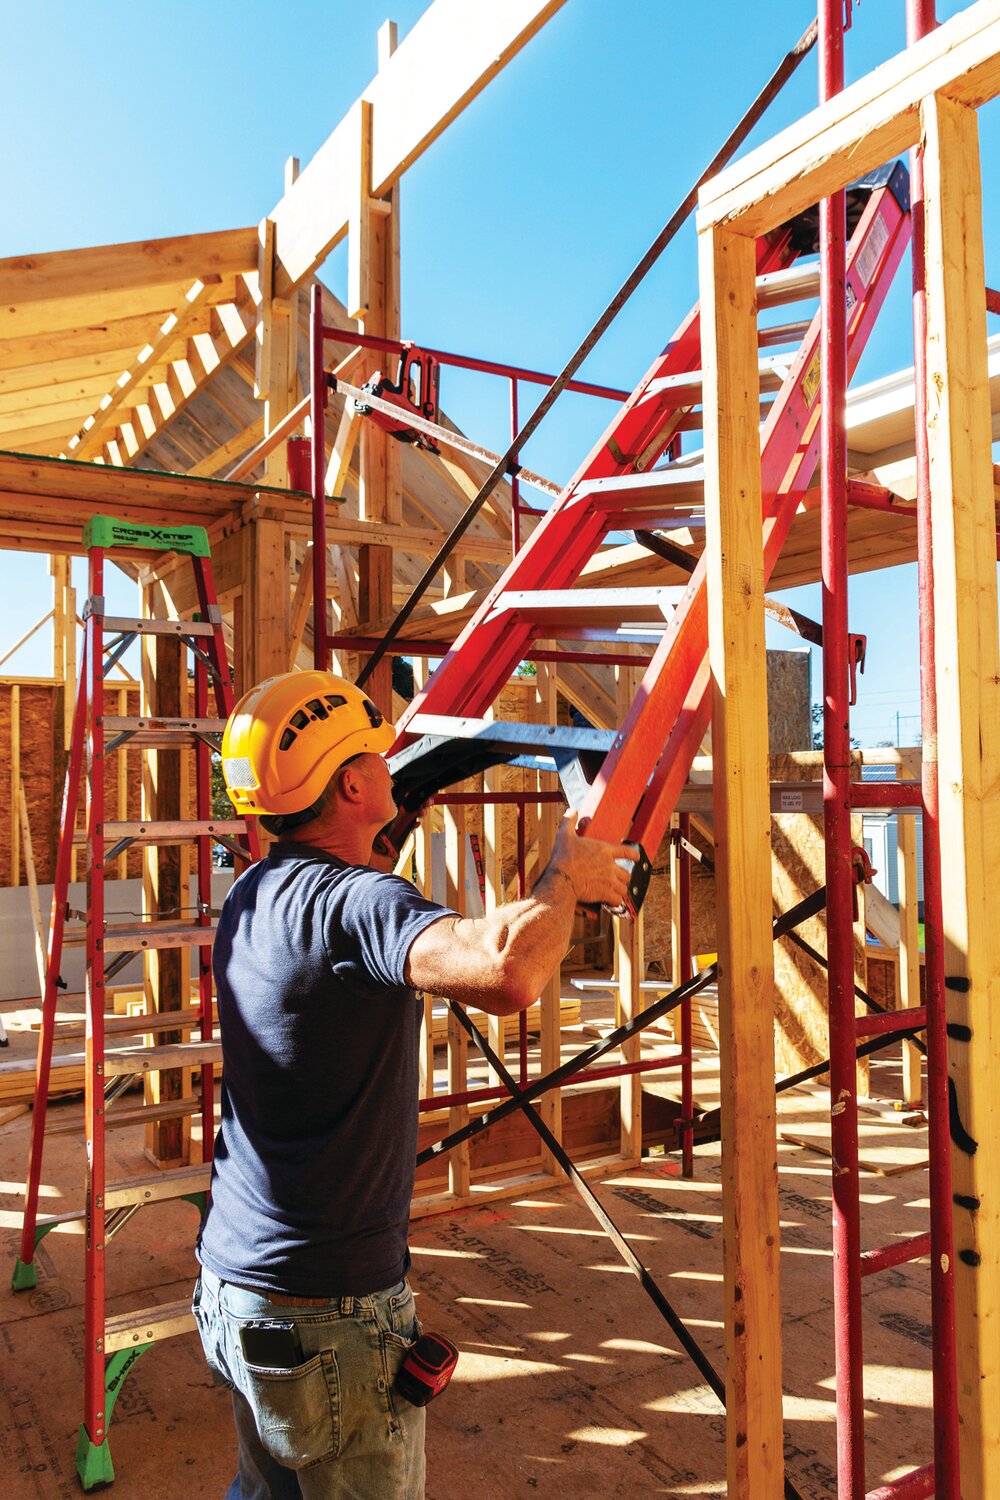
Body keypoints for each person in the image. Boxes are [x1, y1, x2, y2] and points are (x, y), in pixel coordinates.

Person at [192, 669, 635, 1500]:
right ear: (355, 785)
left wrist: (382, 842)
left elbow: (341, 924)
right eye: (375, 757)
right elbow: (506, 972)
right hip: (326, 1311)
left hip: (237, 1287)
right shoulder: (359, 904)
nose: (393, 765)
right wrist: (566, 880)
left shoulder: (254, 891)